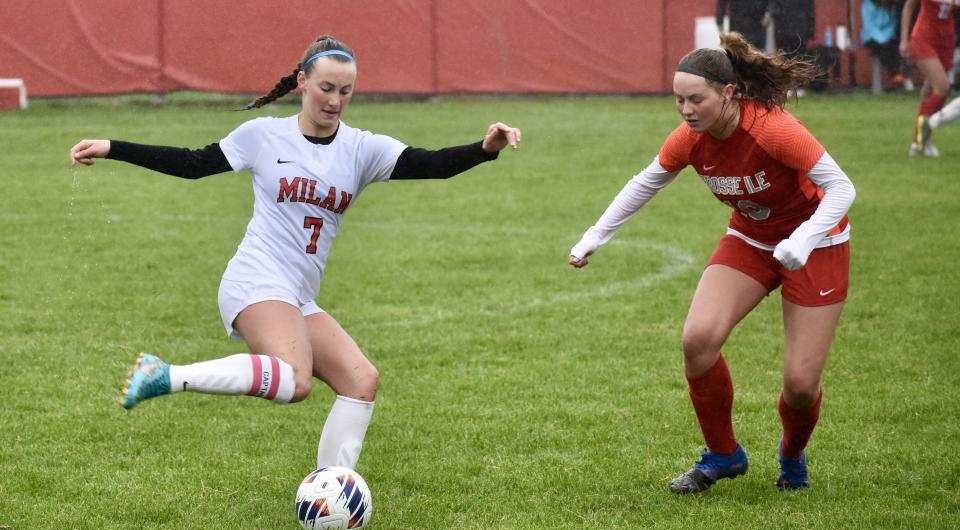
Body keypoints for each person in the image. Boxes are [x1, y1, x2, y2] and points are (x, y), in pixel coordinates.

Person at [69, 35, 521, 472]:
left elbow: (432, 165)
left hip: (297, 296)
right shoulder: (263, 136)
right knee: (295, 380)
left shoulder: (362, 148)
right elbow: (192, 164)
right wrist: (113, 148)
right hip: (255, 281)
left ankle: (331, 488)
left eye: (346, 91)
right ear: (302, 82)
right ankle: (165, 374)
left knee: (361, 380)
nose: (335, 100)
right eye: (326, 87)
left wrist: (485, 150)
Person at [569, 32, 855, 494]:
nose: (685, 110)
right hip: (750, 239)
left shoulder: (773, 129)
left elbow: (842, 189)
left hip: (816, 245)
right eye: (678, 99)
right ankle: (724, 456)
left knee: (801, 384)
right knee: (698, 340)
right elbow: (645, 183)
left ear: (728, 93)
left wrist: (803, 240)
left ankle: (792, 454)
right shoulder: (691, 138)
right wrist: (593, 238)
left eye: (695, 99)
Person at [900, 0, 959, 157]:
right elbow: (909, 5)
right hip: (924, 38)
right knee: (942, 87)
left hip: (946, 40)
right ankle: (924, 133)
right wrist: (904, 39)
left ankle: (919, 141)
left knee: (930, 89)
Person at [863, 0, 908, 90]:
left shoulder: (891, 6)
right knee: (883, 48)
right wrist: (882, 39)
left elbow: (893, 23)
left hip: (889, 36)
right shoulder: (868, 4)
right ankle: (894, 73)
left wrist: (888, 37)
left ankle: (894, 77)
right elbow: (869, 26)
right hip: (872, 37)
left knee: (895, 47)